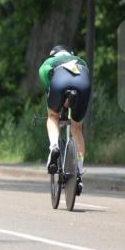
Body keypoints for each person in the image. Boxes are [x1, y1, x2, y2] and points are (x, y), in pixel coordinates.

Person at [40, 44, 91, 194]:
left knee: (52, 116)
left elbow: (48, 89)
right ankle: (79, 173)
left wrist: (56, 106)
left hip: (59, 81)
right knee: (77, 128)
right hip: (83, 82)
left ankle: (54, 147)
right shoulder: (79, 60)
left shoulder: (48, 63)